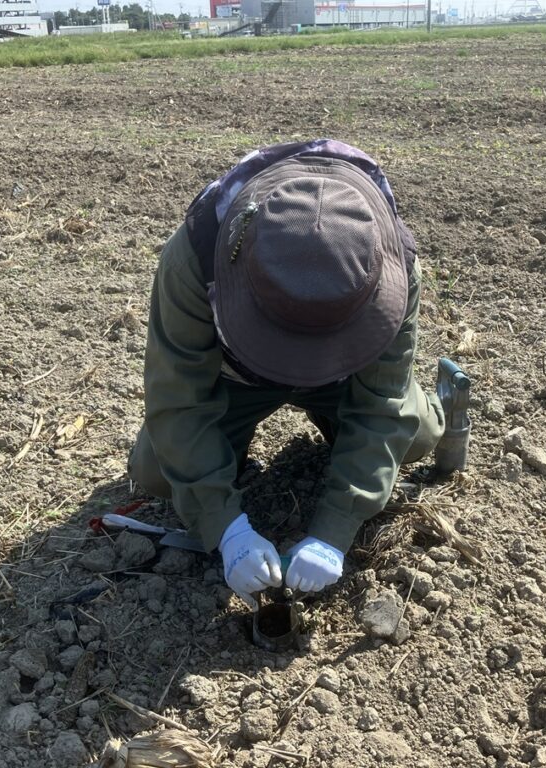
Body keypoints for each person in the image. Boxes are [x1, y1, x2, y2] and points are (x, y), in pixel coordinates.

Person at [128, 140, 446, 611]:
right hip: (237, 380)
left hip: (342, 376)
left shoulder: (395, 265)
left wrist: (336, 528)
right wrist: (225, 527)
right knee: (157, 471)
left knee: (415, 438)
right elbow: (178, 400)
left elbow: (382, 401)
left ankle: (414, 408)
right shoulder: (196, 254)